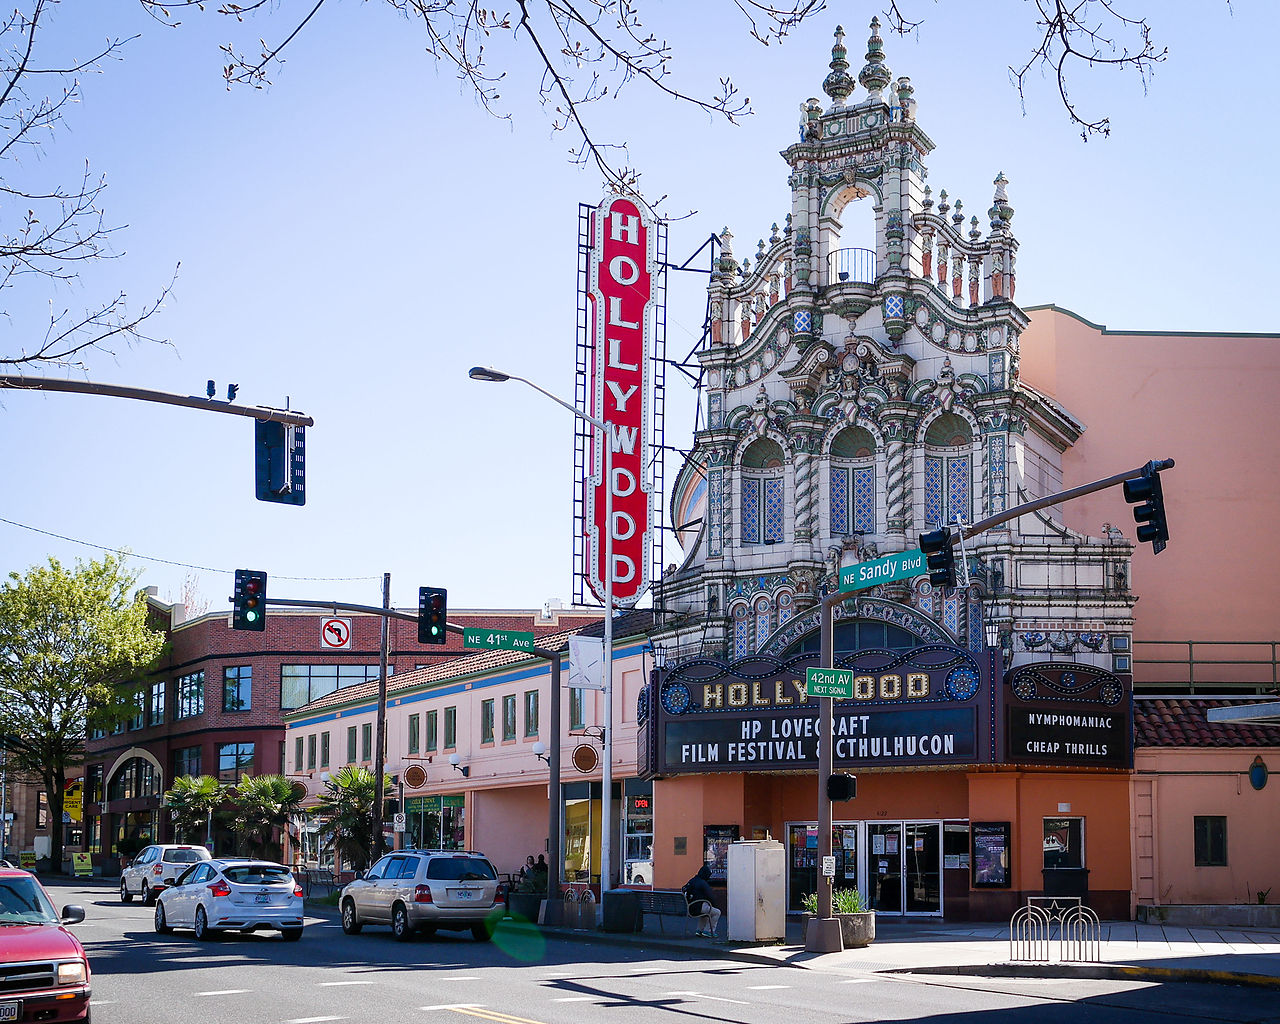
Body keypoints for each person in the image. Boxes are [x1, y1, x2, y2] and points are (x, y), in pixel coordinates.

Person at [683, 864, 721, 938]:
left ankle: (699, 930)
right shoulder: (703, 883)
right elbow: (711, 896)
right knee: (717, 912)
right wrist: (714, 905)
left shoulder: (692, 880)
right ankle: (709, 931)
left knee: (706, 912)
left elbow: (684, 889)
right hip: (698, 907)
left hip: (689, 907)